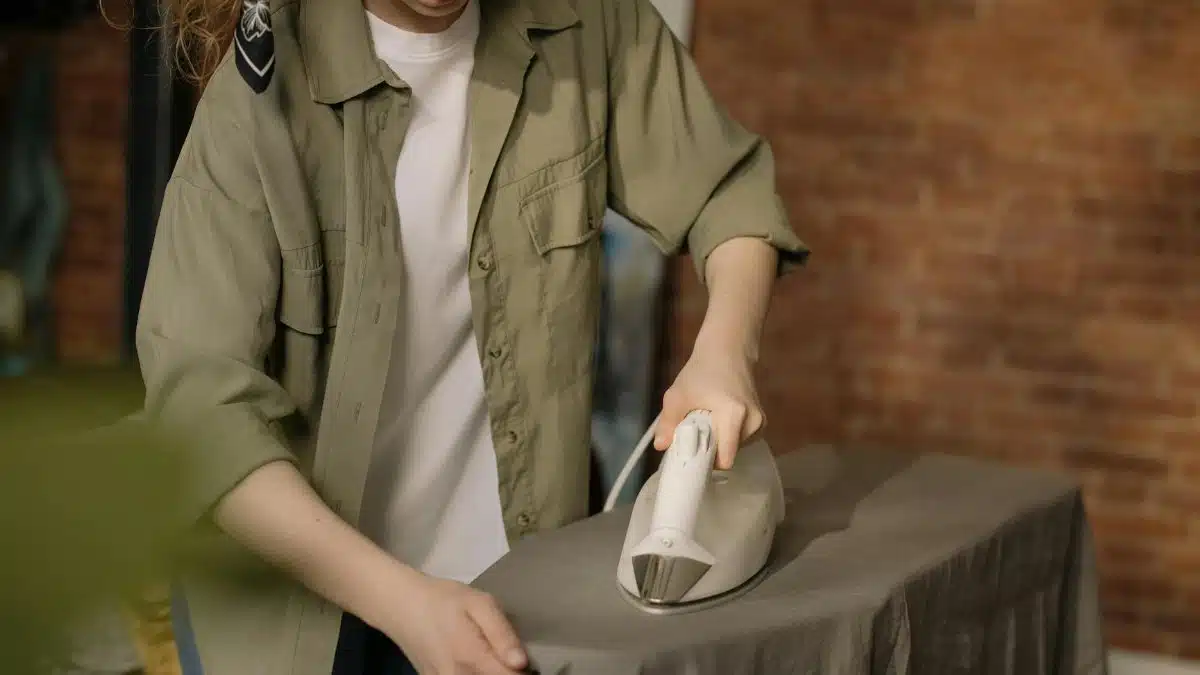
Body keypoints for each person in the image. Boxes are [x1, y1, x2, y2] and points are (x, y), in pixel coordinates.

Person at [139, 0, 809, 673]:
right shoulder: (257, 100)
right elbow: (204, 419)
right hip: (296, 621)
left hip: (511, 591)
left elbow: (728, 192)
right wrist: (405, 603)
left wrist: (724, 352)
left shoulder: (588, 23)